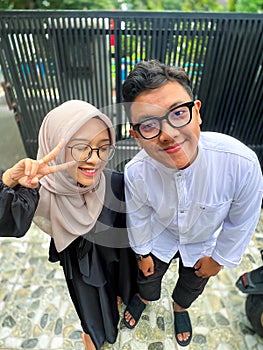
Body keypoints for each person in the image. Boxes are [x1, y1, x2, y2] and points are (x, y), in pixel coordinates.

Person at [121, 60, 263, 347]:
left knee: (193, 283)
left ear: (197, 112)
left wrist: (219, 260)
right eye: (149, 124)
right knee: (147, 277)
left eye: (178, 113)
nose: (168, 134)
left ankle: (180, 308)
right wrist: (142, 252)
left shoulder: (241, 164)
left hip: (203, 243)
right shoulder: (136, 172)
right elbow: (137, 216)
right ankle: (145, 297)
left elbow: (241, 222)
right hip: (159, 236)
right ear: (136, 136)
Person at [1, 100, 137, 350]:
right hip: (79, 268)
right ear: (55, 145)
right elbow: (9, 223)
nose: (94, 160)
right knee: (93, 320)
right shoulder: (40, 190)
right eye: (81, 148)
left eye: (103, 148)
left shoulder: (115, 184)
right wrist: (9, 181)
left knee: (120, 299)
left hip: (118, 262)